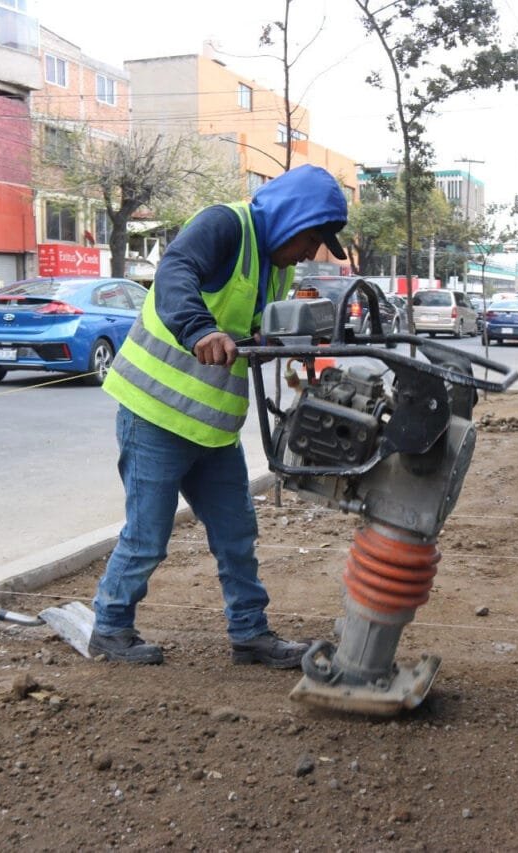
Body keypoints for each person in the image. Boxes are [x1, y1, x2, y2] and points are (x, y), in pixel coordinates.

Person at [89, 164, 348, 666]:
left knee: (236, 536)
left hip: (213, 428)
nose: (310, 253)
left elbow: (246, 333)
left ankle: (250, 635)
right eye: (311, 239)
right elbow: (175, 271)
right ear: (291, 219)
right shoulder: (225, 224)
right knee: (147, 537)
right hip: (155, 414)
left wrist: (279, 343)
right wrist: (199, 329)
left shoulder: (278, 267)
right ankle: (110, 628)